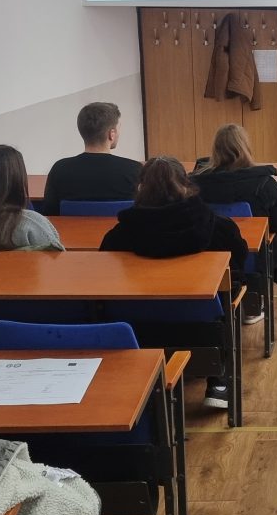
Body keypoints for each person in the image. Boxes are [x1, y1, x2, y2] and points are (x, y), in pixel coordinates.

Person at [100, 156, 248, 410]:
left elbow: (106, 276)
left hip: (137, 332)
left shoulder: (119, 236)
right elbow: (239, 265)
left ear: (140, 188)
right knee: (225, 299)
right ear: (186, 184)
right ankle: (218, 380)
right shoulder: (217, 227)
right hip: (203, 330)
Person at [191, 123, 277, 290]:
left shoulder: (194, 184)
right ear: (246, 147)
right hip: (253, 259)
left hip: (208, 256)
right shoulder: (265, 183)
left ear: (215, 150)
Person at [41, 102, 141, 215]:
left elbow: (49, 215)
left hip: (72, 232)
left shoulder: (59, 169)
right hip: (121, 232)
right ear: (111, 134)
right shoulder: (134, 169)